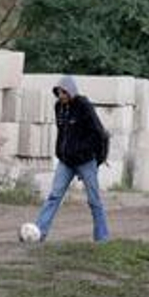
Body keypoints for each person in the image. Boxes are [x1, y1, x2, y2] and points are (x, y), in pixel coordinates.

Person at [34, 75, 110, 242]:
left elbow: (100, 134)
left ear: (71, 91)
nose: (61, 96)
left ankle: (102, 238)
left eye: (63, 92)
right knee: (54, 196)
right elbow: (62, 133)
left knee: (94, 200)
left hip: (85, 161)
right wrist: (60, 152)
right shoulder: (59, 107)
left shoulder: (84, 106)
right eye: (58, 93)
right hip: (66, 161)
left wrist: (98, 159)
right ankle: (38, 233)